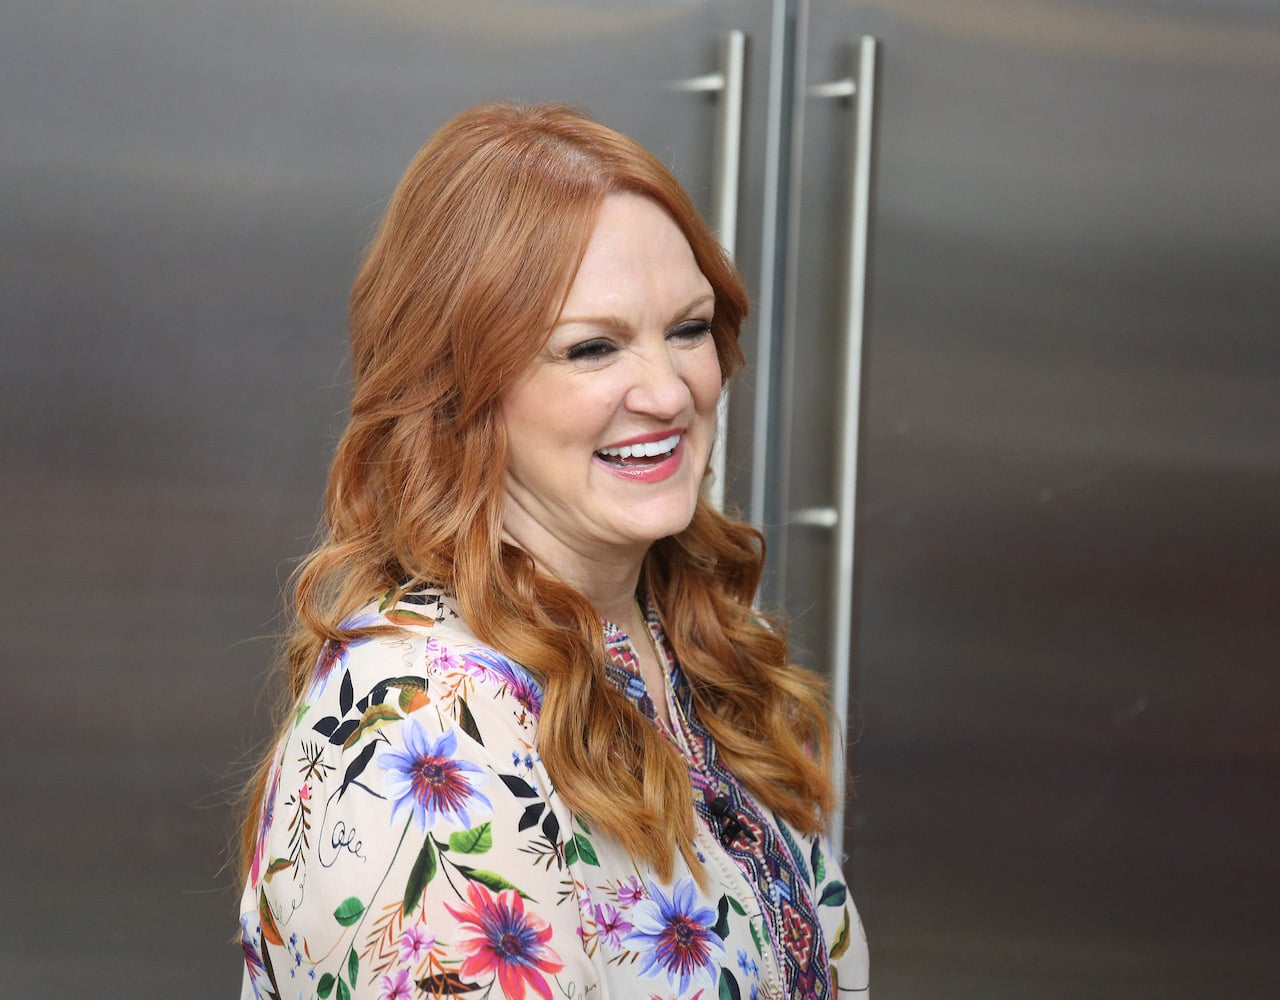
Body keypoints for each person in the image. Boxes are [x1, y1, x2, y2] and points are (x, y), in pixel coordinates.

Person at [237, 102, 869, 1000]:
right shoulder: (419, 732)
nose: (668, 391)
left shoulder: (699, 647)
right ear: (458, 388)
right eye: (592, 348)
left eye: (688, 329)